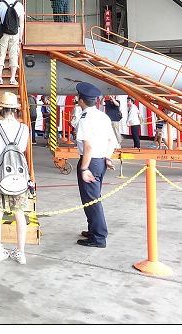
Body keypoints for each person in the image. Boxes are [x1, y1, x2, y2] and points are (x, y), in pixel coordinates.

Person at [0, 92, 31, 264]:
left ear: (0, 109)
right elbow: (22, 149)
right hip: (18, 177)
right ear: (16, 110)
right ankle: (21, 252)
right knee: (19, 214)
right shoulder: (24, 128)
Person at [74, 82, 119, 249]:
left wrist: (84, 168)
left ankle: (99, 237)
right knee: (93, 198)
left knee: (92, 201)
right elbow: (111, 140)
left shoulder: (85, 118)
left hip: (90, 162)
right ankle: (94, 230)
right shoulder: (103, 116)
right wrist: (107, 157)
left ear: (81, 100)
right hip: (101, 161)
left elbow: (88, 147)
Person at [0, 0, 25, 86]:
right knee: (13, 55)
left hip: (3, 33)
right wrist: (20, 36)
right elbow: (21, 22)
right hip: (15, 34)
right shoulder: (19, 5)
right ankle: (12, 79)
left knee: (0, 55)